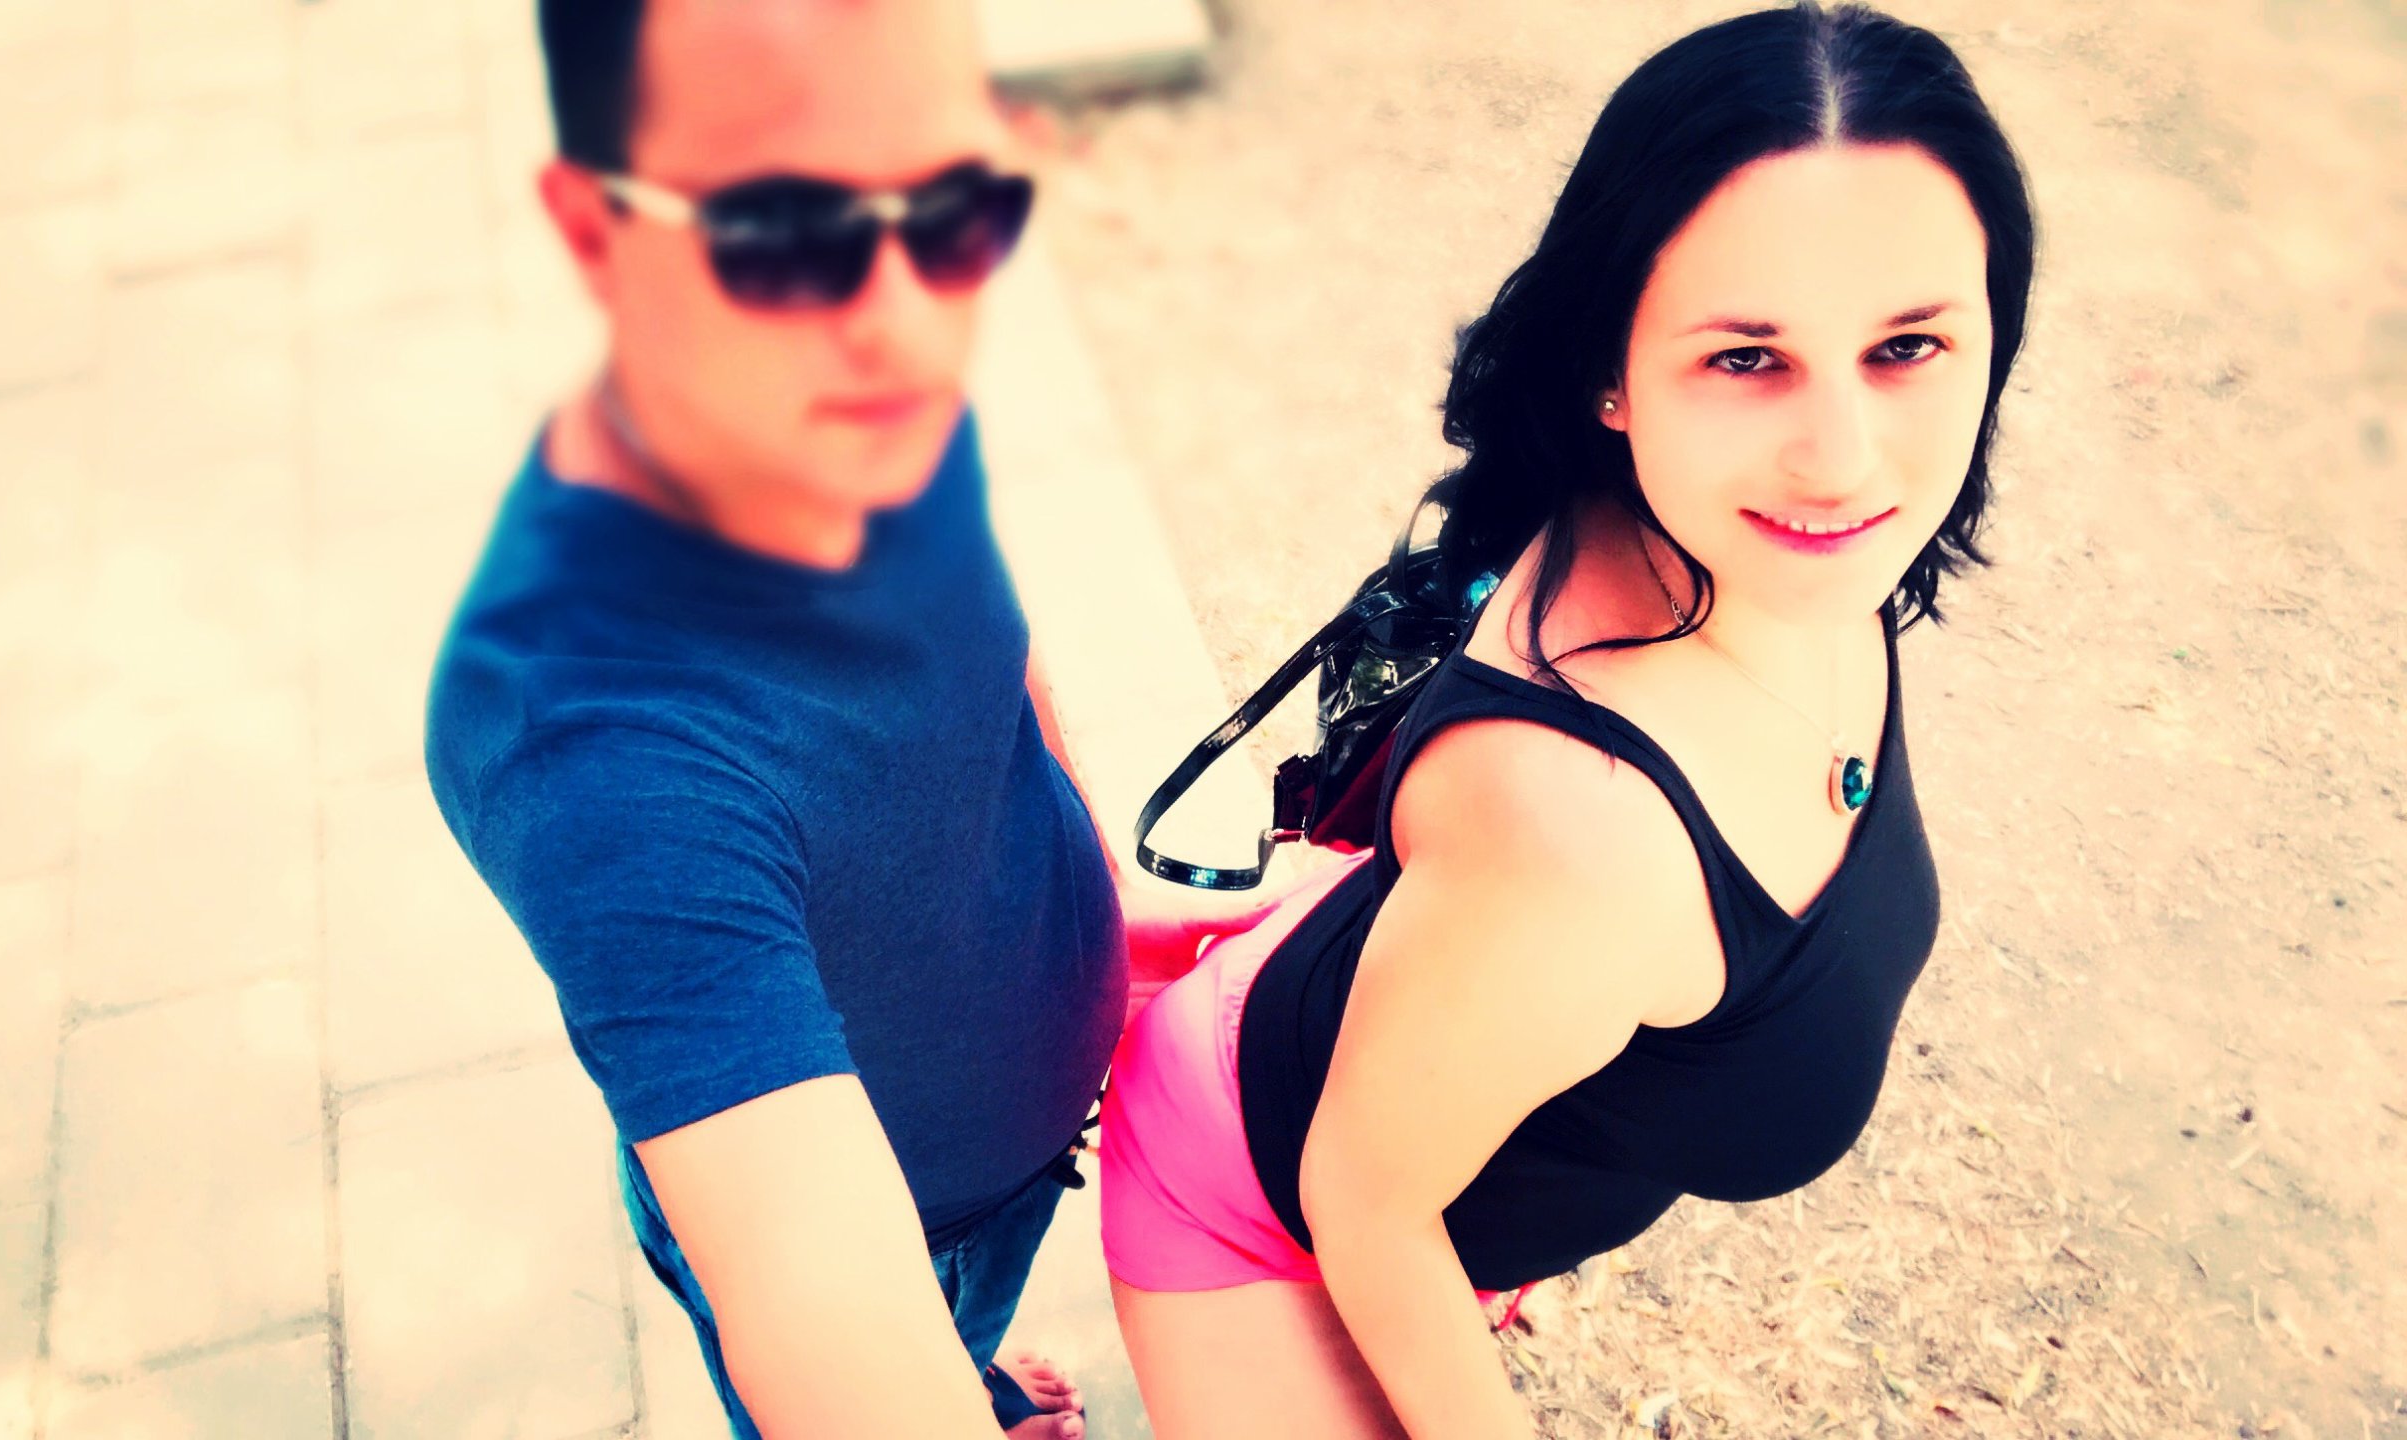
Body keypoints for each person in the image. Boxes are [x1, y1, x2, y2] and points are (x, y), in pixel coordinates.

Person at [1094, 4, 2039, 1436]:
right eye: (1746, 358)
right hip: (1256, 1213)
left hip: (1400, 1071)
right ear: (1611, 374)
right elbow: (1368, 1204)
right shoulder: (1581, 831)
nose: (1844, 461)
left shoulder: (1762, 553)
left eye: (1908, 346)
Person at [423, 2, 1188, 1434]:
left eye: (953, 206)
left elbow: (993, 667)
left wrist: (1080, 889)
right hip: (919, 1218)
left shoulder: (854, 403)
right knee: (926, 1343)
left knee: (964, 1339)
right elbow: (824, 1313)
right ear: (596, 231)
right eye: (783, 231)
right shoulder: (597, 747)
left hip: (1013, 1138)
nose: (901, 321)